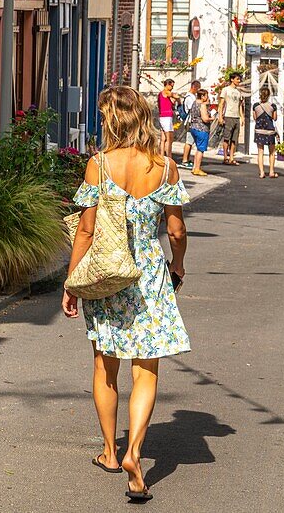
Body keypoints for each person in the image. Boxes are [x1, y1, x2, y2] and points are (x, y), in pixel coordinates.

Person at [63, 86, 191, 503]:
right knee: (146, 369)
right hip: (150, 275)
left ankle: (110, 452)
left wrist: (72, 282)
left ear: (113, 121)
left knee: (106, 365)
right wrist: (178, 264)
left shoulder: (98, 166)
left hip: (110, 275)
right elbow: (175, 231)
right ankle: (136, 453)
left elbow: (85, 230)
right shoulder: (165, 167)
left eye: (104, 117)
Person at [252, 86, 280, 179]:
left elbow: (255, 118)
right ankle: (271, 172)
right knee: (272, 152)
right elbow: (274, 118)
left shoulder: (255, 106)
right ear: (268, 95)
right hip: (270, 131)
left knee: (260, 152)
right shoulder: (273, 106)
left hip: (259, 131)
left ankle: (262, 172)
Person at [186, 89, 213, 177]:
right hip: (202, 128)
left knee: (198, 148)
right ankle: (197, 168)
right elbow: (205, 118)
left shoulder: (194, 103)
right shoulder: (202, 105)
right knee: (201, 150)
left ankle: (195, 167)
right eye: (206, 95)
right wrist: (212, 118)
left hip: (193, 127)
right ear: (202, 96)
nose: (207, 97)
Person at [218, 73, 244, 165]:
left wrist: (242, 117)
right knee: (227, 137)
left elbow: (240, 105)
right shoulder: (226, 90)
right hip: (228, 115)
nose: (239, 81)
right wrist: (220, 116)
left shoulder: (238, 92)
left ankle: (231, 157)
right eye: (237, 79)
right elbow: (221, 104)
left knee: (234, 139)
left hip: (236, 116)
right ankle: (225, 157)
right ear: (232, 79)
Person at [179, 80, 201, 168]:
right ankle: (184, 160)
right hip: (190, 121)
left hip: (192, 121)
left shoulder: (192, 97)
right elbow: (192, 109)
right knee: (189, 141)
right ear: (194, 87)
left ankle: (187, 159)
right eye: (198, 88)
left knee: (190, 141)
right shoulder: (189, 97)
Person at [157, 79, 177, 161]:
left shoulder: (161, 94)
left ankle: (161, 155)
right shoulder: (165, 92)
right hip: (166, 117)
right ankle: (169, 157)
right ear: (167, 85)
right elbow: (175, 95)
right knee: (169, 139)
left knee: (163, 139)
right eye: (171, 86)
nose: (172, 88)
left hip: (163, 116)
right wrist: (175, 96)